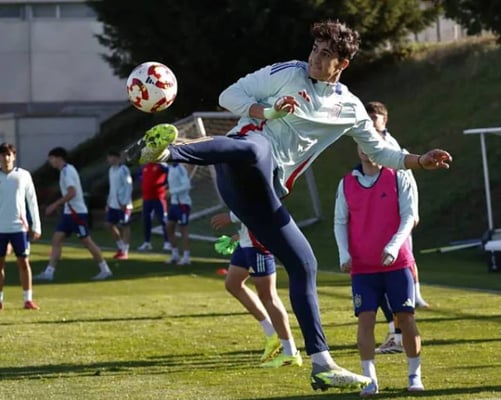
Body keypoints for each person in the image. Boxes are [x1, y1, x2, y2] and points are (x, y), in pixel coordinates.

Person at [124, 20, 451, 391]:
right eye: (315, 50)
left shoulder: (350, 108)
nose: (314, 58)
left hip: (261, 194)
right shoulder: (287, 73)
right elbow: (228, 96)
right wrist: (269, 113)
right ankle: (167, 152)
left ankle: (321, 364)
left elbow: (379, 151)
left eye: (325, 54)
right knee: (256, 148)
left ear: (342, 64)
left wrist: (419, 160)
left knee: (304, 263)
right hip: (239, 163)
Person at [334, 145, 424, 394]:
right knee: (366, 319)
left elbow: (409, 216)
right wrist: (344, 254)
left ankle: (414, 376)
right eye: (361, 142)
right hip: (363, 268)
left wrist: (393, 246)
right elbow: (340, 221)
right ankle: (369, 379)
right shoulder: (346, 183)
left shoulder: (397, 176)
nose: (365, 148)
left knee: (405, 318)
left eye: (370, 141)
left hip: (398, 264)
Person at [365, 101, 429, 356]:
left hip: (392, 219)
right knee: (380, 276)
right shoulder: (371, 142)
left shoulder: (389, 146)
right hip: (381, 218)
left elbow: (404, 177)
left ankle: (399, 333)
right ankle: (396, 333)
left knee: (394, 271)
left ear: (385, 120)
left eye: (374, 117)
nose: (370, 122)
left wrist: (411, 212)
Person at [211, 211, 301, 368]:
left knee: (268, 296)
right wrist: (241, 234)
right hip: (246, 242)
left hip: (258, 245)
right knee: (233, 284)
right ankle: (272, 333)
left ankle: (290, 353)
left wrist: (231, 217)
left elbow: (260, 206)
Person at [34, 147, 113, 282]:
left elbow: (72, 193)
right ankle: (49, 272)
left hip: (77, 213)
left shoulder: (68, 171)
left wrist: (54, 205)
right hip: (68, 213)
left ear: (58, 158)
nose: (50, 162)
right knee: (56, 239)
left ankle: (105, 269)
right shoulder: (64, 171)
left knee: (87, 242)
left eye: (51, 159)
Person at [0, 143, 41, 309]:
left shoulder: (23, 175)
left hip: (19, 227)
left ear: (14, 156)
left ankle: (28, 299)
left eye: (8, 154)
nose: (5, 158)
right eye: (2, 155)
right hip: (0, 228)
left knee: (23, 262)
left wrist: (36, 225)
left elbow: (32, 200)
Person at [105, 149, 133, 260]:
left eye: (110, 157)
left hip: (123, 204)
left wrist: (125, 202)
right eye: (108, 157)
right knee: (109, 224)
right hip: (113, 204)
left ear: (116, 158)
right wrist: (108, 202)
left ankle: (125, 251)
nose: (108, 159)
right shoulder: (111, 170)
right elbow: (112, 188)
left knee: (125, 226)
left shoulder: (123, 169)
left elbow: (128, 186)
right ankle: (121, 247)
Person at [137, 162, 171, 251]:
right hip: (147, 198)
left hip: (159, 198)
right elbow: (139, 175)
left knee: (163, 220)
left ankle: (168, 242)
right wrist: (143, 181)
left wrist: (166, 184)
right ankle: (147, 243)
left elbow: (170, 173)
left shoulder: (161, 165)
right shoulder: (145, 166)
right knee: (146, 220)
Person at [165, 162, 191, 265]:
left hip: (182, 204)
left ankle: (186, 257)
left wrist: (172, 191)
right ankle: (175, 254)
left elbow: (187, 185)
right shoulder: (170, 168)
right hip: (174, 203)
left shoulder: (180, 168)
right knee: (169, 227)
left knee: (183, 230)